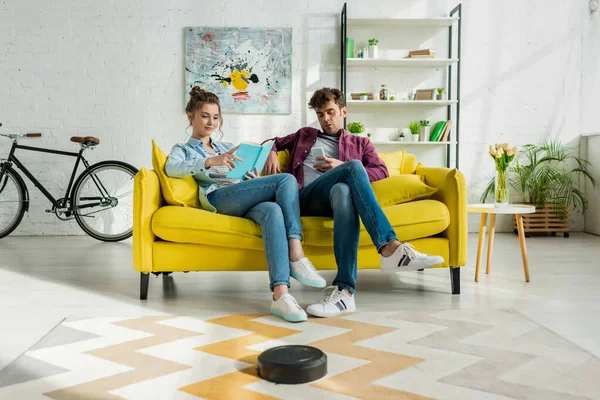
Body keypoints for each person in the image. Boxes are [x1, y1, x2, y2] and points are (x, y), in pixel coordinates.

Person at [262, 87, 444, 318]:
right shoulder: (304, 135)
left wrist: (340, 167)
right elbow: (272, 141)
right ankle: (389, 246)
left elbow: (381, 172)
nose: (325, 119)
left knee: (342, 189)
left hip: (338, 201)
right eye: (320, 114)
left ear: (343, 111)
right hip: (305, 198)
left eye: (330, 112)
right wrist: (271, 150)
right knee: (354, 168)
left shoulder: (361, 144)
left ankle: (345, 292)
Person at [165, 86, 326, 323]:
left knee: (272, 210)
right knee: (286, 179)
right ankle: (296, 252)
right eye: (205, 116)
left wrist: (249, 179)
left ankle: (280, 295)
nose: (211, 122)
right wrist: (210, 161)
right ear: (190, 116)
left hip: (240, 193)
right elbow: (172, 168)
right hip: (219, 198)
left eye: (216, 117)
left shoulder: (225, 146)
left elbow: (238, 175)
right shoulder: (184, 149)